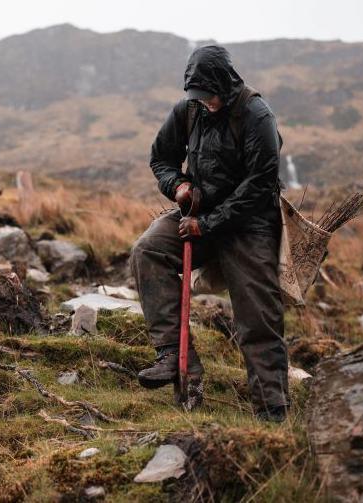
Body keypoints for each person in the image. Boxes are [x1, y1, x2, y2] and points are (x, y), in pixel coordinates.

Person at [130, 45, 289, 422]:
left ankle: (272, 412)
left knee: (257, 316)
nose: (207, 104)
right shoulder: (189, 109)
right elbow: (161, 159)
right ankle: (173, 354)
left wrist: (209, 224)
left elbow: (260, 186)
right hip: (197, 213)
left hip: (250, 223)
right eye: (199, 97)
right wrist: (179, 187)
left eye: (211, 96)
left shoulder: (256, 116)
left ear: (226, 83)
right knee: (148, 250)